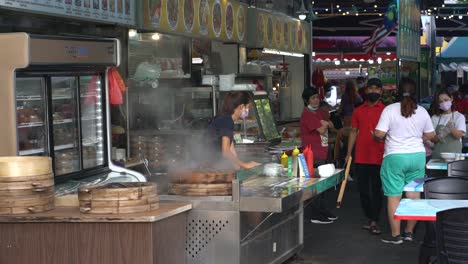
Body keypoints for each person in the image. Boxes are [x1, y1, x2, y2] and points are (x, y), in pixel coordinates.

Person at [374, 78, 435, 244]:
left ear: (397, 92)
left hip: (395, 157)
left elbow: (379, 134)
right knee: (414, 195)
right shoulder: (422, 111)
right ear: (415, 93)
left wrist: (381, 135)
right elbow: (431, 136)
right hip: (417, 157)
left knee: (394, 196)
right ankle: (408, 232)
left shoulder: (389, 109)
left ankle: (395, 235)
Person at [346, 78, 385, 235]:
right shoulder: (358, 110)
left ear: (381, 91)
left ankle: (374, 219)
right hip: (361, 156)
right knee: (362, 190)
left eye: (377, 88)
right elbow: (353, 132)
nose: (373, 91)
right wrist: (349, 153)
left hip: (380, 156)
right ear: (366, 90)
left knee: (376, 189)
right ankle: (371, 218)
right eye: (371, 88)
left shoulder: (386, 110)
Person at [301, 86, 337, 224]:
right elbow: (322, 130)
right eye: (313, 98)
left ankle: (322, 210)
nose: (316, 100)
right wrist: (326, 124)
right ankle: (314, 214)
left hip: (323, 150)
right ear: (306, 100)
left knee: (324, 184)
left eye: (317, 97)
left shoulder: (321, 112)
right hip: (313, 153)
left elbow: (332, 126)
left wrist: (326, 123)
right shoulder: (307, 114)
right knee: (315, 185)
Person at [206, 91, 261, 169]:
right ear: (241, 106)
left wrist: (238, 168)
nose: (248, 110)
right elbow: (225, 152)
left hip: (212, 162)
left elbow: (230, 148)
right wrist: (245, 165)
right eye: (248, 107)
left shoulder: (226, 118)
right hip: (207, 165)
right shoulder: (226, 121)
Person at [430, 89, 466, 159]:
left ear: (451, 99)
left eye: (446, 100)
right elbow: (432, 139)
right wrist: (441, 135)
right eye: (440, 101)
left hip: (455, 158)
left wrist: (451, 128)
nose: (444, 103)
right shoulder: (435, 118)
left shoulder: (459, 116)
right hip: (438, 158)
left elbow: (459, 136)